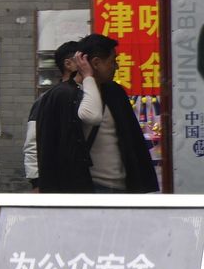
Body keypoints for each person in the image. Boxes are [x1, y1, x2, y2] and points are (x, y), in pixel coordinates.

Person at [37, 34, 159, 194]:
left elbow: (132, 140)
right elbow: (48, 149)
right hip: (85, 190)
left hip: (124, 187)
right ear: (95, 63)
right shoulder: (61, 96)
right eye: (112, 61)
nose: (116, 67)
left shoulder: (115, 92)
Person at [23, 41, 79, 190]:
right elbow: (32, 144)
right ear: (68, 64)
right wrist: (36, 182)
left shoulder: (89, 96)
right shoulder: (47, 99)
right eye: (80, 59)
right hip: (58, 182)